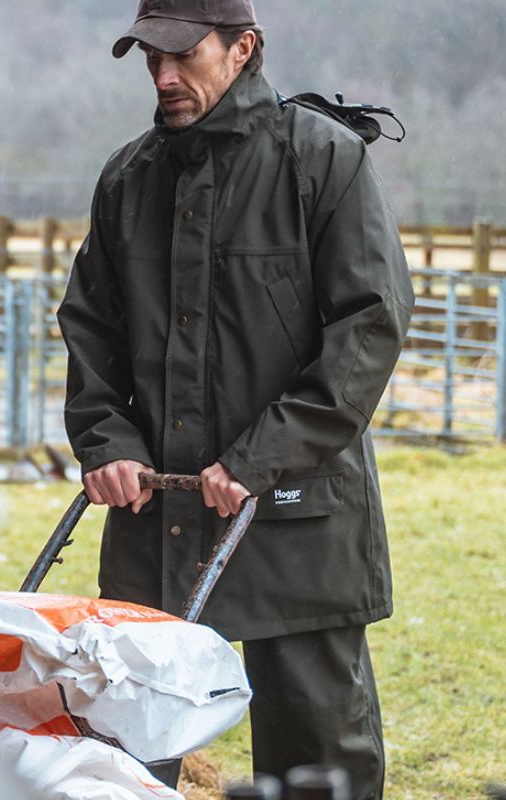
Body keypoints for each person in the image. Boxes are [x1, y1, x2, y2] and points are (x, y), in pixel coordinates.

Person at [56, 1, 414, 797]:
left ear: (244, 48)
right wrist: (107, 443)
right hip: (155, 518)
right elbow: (89, 329)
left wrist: (261, 457)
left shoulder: (323, 160)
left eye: (183, 56)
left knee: (317, 754)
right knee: (121, 754)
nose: (163, 75)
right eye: (151, 57)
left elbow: (369, 326)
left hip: (297, 513)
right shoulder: (127, 178)